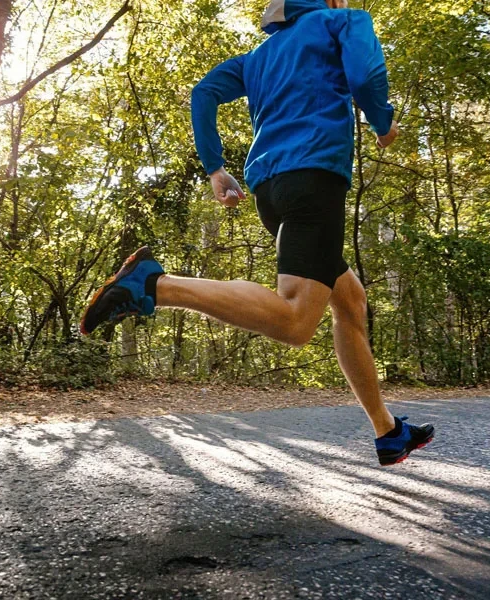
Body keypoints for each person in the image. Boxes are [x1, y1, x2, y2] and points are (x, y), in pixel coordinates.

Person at [80, 0, 433, 466]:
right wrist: (383, 122)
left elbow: (203, 92)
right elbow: (365, 79)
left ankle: (387, 432)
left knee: (349, 300)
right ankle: (154, 284)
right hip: (315, 178)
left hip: (269, 188)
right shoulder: (342, 21)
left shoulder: (256, 59)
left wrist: (214, 169)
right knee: (294, 320)